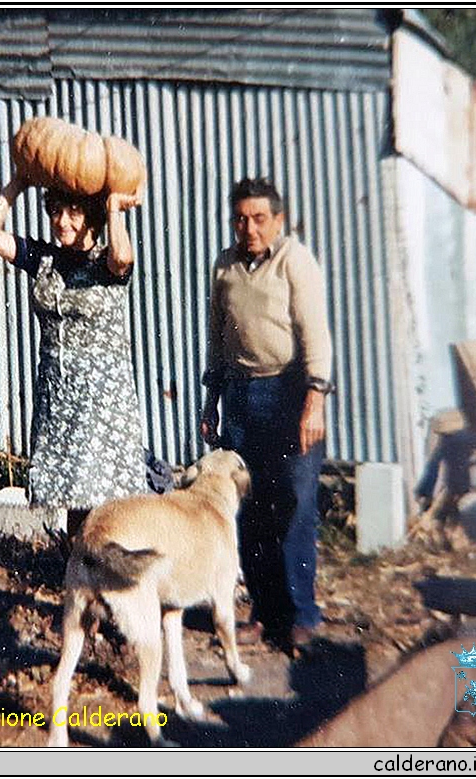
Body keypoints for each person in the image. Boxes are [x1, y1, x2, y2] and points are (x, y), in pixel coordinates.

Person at [201, 177, 334, 650]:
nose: (249, 228)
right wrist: (210, 400)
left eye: (259, 219)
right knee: (251, 510)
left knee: (295, 506)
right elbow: (217, 336)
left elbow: (315, 332)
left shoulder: (295, 261)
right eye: (240, 219)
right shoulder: (225, 265)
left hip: (291, 394)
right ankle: (264, 611)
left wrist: (314, 399)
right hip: (239, 397)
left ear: (278, 220)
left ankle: (302, 615)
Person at [0, 172, 146, 531]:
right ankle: (75, 570)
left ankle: (104, 571)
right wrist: (19, 181)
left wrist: (113, 208)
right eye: (55, 212)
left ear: (92, 218)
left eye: (74, 213)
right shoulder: (44, 258)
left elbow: (124, 257)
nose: (62, 222)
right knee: (70, 492)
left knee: (100, 490)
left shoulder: (107, 262)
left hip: (102, 398)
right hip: (57, 392)